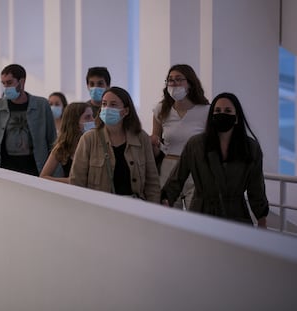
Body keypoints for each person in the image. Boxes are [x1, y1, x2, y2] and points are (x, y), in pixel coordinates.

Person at [161, 92, 269, 226]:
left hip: (236, 215)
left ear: (236, 117)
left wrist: (261, 218)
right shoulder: (196, 145)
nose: (222, 114)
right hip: (201, 214)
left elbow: (256, 188)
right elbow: (177, 178)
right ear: (212, 116)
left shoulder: (250, 148)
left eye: (228, 110)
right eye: (217, 110)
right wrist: (165, 201)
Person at [70, 86, 161, 203]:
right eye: (104, 104)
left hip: (135, 206)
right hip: (100, 207)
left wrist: (153, 210)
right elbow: (77, 180)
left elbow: (152, 181)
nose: (107, 108)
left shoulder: (141, 138)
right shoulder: (89, 139)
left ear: (126, 111)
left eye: (113, 105)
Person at [0, 64, 57, 176]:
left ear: (21, 82)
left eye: (9, 83)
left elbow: (53, 140)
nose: (6, 87)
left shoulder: (41, 105)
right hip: (4, 169)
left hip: (35, 170)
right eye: (3, 84)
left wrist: (53, 170)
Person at [151, 64, 209, 209]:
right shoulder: (161, 109)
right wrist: (154, 143)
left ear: (190, 83)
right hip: (168, 168)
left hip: (195, 169)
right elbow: (155, 142)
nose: (174, 83)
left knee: (195, 215)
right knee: (168, 217)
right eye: (170, 80)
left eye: (178, 79)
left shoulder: (206, 110)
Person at [40, 102, 95, 183]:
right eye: (87, 117)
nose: (93, 120)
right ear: (74, 122)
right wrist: (70, 181)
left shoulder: (97, 144)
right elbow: (43, 177)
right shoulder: (63, 147)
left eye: (92, 116)